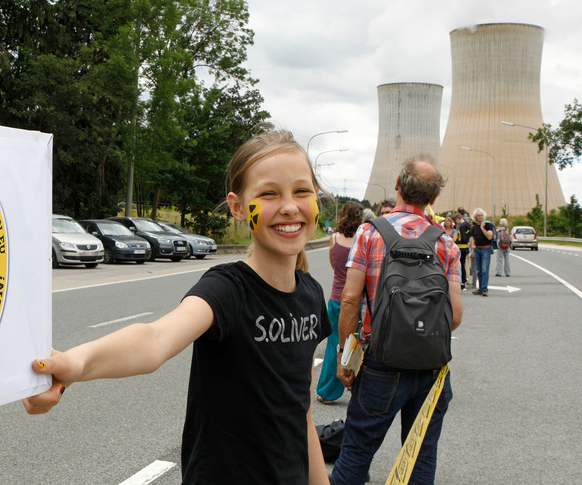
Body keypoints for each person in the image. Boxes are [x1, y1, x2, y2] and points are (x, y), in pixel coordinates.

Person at [23, 130, 333, 485]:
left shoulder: (311, 294)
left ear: (317, 199)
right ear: (236, 207)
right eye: (268, 194)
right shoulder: (228, 289)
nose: (290, 206)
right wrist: (74, 364)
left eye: (301, 191)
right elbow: (155, 339)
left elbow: (302, 412)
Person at [331, 157, 463, 485]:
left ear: (397, 185)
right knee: (419, 456)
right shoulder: (445, 243)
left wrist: (344, 357)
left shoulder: (369, 233)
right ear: (433, 200)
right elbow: (455, 316)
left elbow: (349, 299)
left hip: (380, 363)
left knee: (358, 450)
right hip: (432, 366)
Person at [316, 201, 364, 404]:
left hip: (336, 298)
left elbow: (334, 266)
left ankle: (326, 392)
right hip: (357, 300)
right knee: (358, 344)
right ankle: (357, 388)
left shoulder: (333, 238)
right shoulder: (362, 240)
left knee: (334, 344)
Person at [469, 207, 494, 297]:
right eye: (478, 216)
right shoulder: (474, 227)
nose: (480, 217)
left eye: (481, 215)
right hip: (478, 249)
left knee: (484, 270)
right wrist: (473, 245)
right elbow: (473, 237)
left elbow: (489, 236)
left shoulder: (488, 225)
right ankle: (480, 288)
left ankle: (484, 288)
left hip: (485, 249)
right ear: (475, 217)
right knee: (478, 270)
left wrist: (482, 228)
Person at [453, 212, 471, 290]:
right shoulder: (467, 224)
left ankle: (462, 282)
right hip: (465, 247)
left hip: (462, 247)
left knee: (461, 265)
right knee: (463, 264)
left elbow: (463, 237)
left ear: (458, 219)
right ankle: (464, 280)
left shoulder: (462, 226)